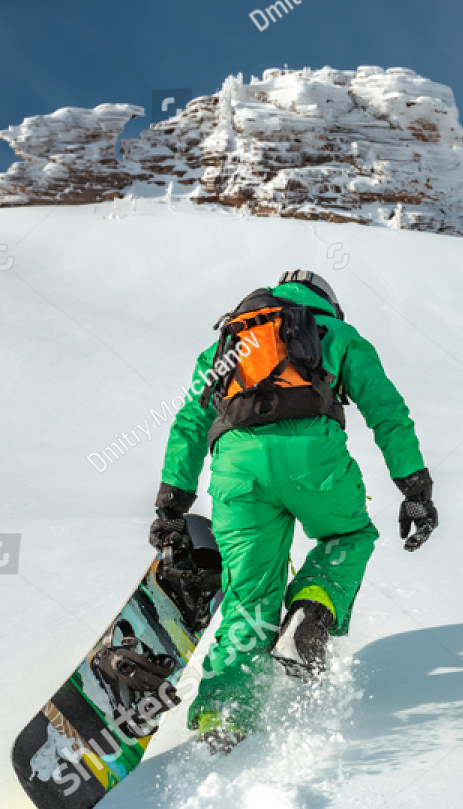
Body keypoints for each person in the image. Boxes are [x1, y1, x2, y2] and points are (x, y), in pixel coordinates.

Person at [151, 269, 436, 753]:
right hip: (314, 461)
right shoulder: (337, 333)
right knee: (347, 537)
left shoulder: (229, 341)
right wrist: (414, 486)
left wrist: (172, 505)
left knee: (248, 595)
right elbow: (387, 410)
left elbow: (189, 422)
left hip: (236, 471)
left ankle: (224, 719)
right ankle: (312, 610)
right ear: (326, 302)